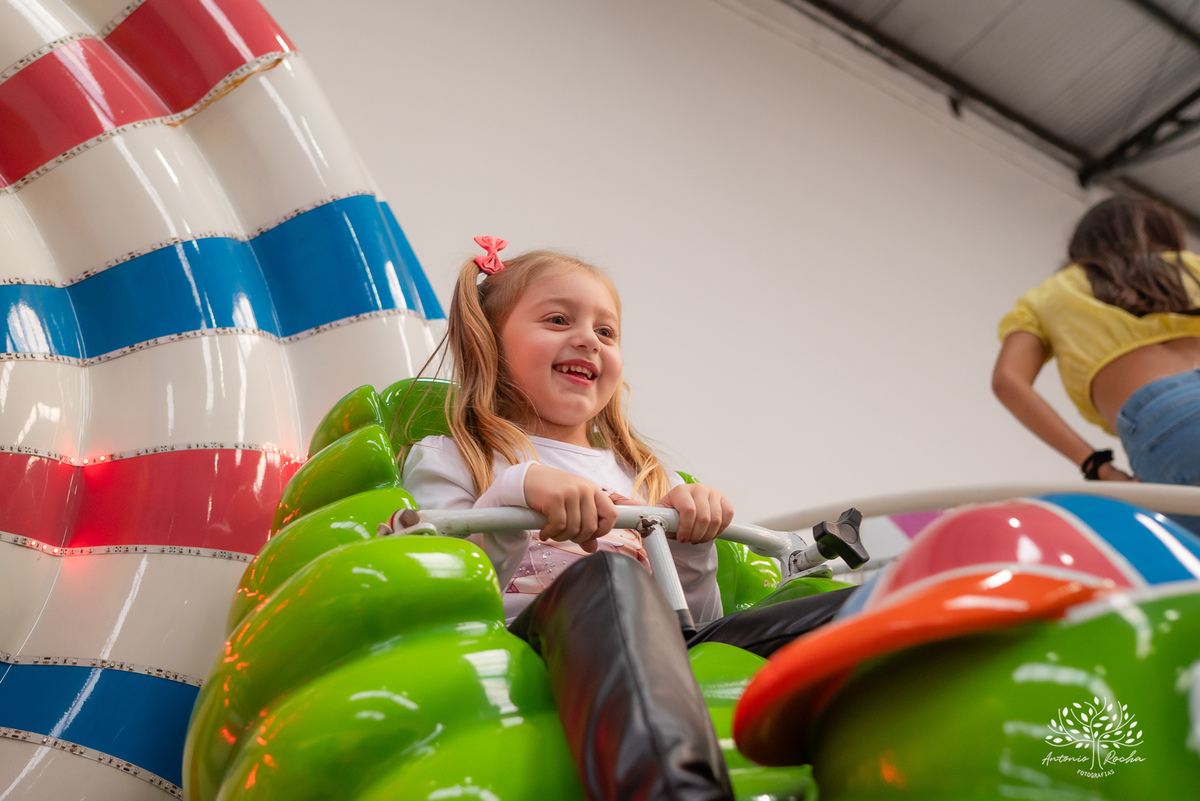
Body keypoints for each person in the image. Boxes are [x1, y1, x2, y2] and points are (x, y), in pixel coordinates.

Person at [398, 237, 852, 801]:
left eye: (606, 332)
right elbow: (447, 590)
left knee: (862, 605)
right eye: (559, 319)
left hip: (661, 645)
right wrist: (519, 488)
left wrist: (691, 547)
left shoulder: (643, 473)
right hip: (534, 638)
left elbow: (696, 630)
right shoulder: (453, 455)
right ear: (489, 342)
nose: (587, 339)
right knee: (612, 578)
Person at [993, 196, 1200, 487]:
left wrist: (1096, 465)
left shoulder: (1048, 295)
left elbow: (1007, 380)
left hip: (1165, 422)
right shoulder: (1189, 266)